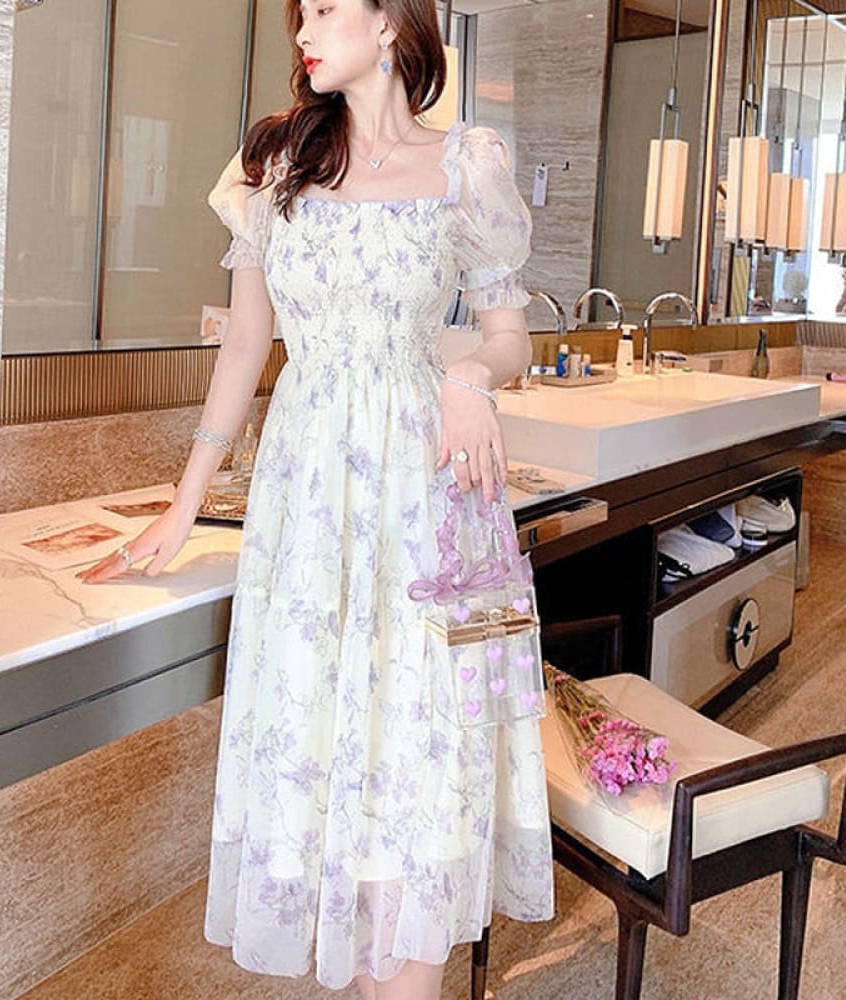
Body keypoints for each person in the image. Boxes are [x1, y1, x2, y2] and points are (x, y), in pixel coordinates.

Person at [80, 1, 553, 995]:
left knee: (421, 756)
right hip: (306, 498)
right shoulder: (272, 165)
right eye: (301, 14)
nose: (303, 28)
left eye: (326, 9)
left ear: (388, 25)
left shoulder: (466, 165)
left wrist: (472, 380)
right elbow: (246, 349)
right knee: (326, 747)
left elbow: (509, 335)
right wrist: (185, 501)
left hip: (428, 492)